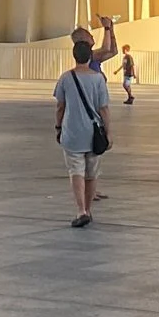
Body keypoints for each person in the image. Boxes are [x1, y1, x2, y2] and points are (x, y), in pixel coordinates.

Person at [53, 34, 113, 226]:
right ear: (89, 57)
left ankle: (80, 211)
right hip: (93, 133)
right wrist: (109, 132)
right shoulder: (98, 80)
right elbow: (103, 108)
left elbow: (60, 106)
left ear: (74, 56)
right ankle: (89, 208)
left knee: (75, 171)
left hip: (71, 132)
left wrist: (58, 126)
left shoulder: (65, 78)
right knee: (91, 173)